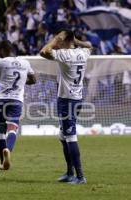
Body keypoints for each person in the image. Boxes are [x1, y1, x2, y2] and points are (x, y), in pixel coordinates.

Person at [40, 30, 93, 184]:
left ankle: (80, 176)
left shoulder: (64, 54)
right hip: (77, 98)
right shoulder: (83, 52)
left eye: (60, 39)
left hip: (66, 100)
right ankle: (70, 172)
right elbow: (90, 47)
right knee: (63, 136)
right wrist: (76, 41)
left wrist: (56, 39)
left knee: (70, 136)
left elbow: (43, 51)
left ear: (63, 40)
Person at [0, 40, 36, 170]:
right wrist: (22, 83)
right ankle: (8, 149)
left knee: (1, 131)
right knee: (12, 128)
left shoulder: (1, 62)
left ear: (1, 50)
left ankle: (3, 163)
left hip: (1, 99)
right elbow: (33, 80)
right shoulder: (25, 62)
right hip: (16, 99)